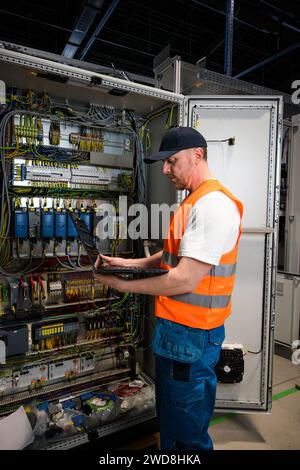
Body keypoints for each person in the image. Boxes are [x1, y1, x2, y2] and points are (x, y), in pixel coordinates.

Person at [94, 126, 243, 450]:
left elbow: (184, 279)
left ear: (197, 155)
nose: (164, 170)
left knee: (186, 434)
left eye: (171, 161)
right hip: (179, 335)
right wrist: (126, 264)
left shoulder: (213, 206)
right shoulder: (195, 202)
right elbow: (175, 256)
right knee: (172, 423)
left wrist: (122, 285)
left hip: (191, 338)